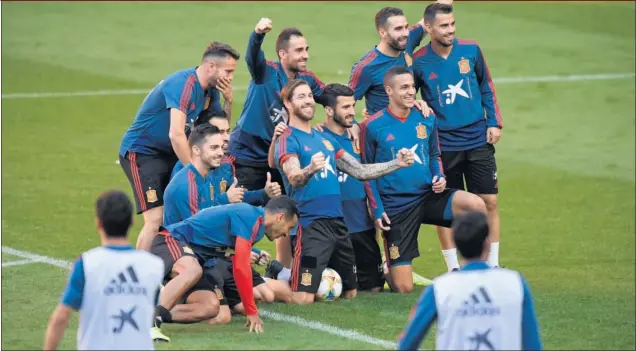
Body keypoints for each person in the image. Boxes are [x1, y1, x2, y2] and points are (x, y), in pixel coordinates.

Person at [273, 79, 415, 304]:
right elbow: (293, 177)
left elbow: (359, 171)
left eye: (310, 95)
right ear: (288, 104)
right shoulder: (287, 139)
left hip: (338, 226)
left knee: (350, 293)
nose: (308, 100)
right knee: (302, 299)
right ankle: (267, 280)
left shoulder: (325, 140)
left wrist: (396, 163)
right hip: (311, 227)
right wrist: (309, 169)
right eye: (301, 97)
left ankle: (295, 278)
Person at [360, 66, 486, 293]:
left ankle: (477, 271)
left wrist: (439, 176)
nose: (411, 92)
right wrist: (377, 209)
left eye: (412, 86)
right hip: (396, 207)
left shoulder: (426, 117)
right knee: (403, 287)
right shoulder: (372, 126)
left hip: (428, 196)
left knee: (476, 204)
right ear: (389, 91)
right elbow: (366, 172)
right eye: (404, 87)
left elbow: (434, 154)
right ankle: (384, 265)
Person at [118, 41, 240, 252]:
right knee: (155, 218)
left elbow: (218, 131)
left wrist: (229, 102)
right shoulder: (184, 84)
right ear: (211, 66)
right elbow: (175, 134)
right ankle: (140, 277)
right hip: (143, 153)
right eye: (228, 71)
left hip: (171, 152)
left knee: (173, 216)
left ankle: (167, 270)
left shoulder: (212, 92)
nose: (230, 78)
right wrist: (194, 173)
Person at [230, 18, 326, 281]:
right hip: (247, 155)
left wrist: (345, 118)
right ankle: (238, 270)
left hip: (279, 155)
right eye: (299, 50)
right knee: (247, 212)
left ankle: (282, 273)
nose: (305, 55)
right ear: (283, 54)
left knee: (283, 211)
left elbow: (330, 95)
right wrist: (257, 34)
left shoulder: (305, 79)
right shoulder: (266, 72)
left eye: (306, 49)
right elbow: (251, 58)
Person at [412, 3, 504, 268]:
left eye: (452, 24)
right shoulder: (419, 61)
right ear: (428, 28)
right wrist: (419, 106)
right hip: (443, 145)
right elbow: (407, 96)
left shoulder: (471, 50)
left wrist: (494, 121)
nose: (450, 30)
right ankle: (453, 267)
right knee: (448, 208)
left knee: (489, 201)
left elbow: (486, 84)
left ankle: (493, 265)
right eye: (443, 26)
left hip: (478, 138)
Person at [397, 211, 542, 351]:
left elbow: (407, 344)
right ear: (487, 243)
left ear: (455, 243)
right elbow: (533, 345)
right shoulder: (516, 283)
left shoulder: (440, 288)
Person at [43, 191, 164, 350]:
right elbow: (151, 310)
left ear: (99, 223)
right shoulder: (154, 266)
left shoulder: (86, 264)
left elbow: (61, 317)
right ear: (132, 221)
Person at [166, 198, 299, 333]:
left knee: (220, 313)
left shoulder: (256, 225)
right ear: (280, 218)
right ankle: (160, 307)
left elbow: (233, 253)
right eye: (289, 227)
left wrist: (252, 252)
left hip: (205, 261)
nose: (286, 234)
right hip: (177, 247)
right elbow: (240, 267)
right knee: (219, 311)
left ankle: (156, 313)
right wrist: (251, 311)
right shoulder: (249, 216)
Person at [317, 83, 386, 291]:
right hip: (331, 225)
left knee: (374, 286)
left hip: (361, 223)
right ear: (329, 110)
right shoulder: (316, 138)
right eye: (345, 107)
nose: (351, 112)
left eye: (352, 106)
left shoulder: (361, 135)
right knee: (335, 288)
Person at [349, 7, 431, 117]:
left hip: (410, 127)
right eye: (398, 29)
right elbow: (344, 102)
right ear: (383, 33)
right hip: (383, 132)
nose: (405, 33)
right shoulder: (366, 67)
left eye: (406, 27)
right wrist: (354, 126)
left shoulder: (405, 42)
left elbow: (433, 15)